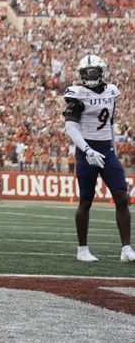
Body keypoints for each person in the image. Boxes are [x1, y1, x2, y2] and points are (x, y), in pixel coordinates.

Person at [63, 54, 134, 262]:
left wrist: (113, 148)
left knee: (122, 196)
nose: (90, 75)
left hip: (106, 150)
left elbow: (110, 124)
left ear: (102, 72)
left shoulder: (111, 91)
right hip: (87, 151)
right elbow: (71, 127)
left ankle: (126, 249)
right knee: (86, 201)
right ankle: (82, 249)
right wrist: (87, 151)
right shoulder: (77, 93)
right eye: (87, 72)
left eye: (94, 71)